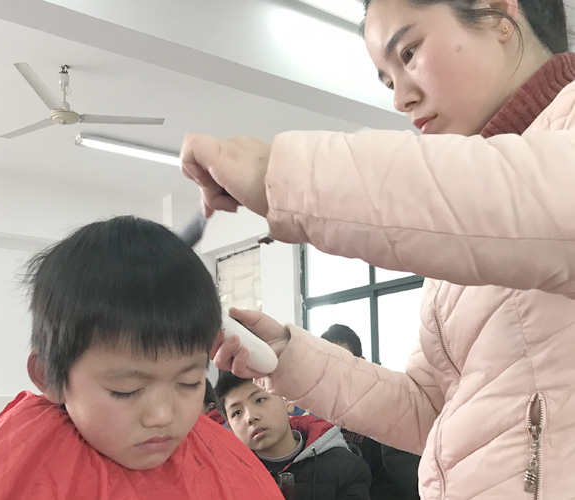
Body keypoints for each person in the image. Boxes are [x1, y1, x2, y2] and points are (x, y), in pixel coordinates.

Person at [180, 0, 575, 497]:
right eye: (388, 81)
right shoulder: (460, 251)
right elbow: (430, 410)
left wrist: (281, 176)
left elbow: (533, 199)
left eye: (408, 53)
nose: (401, 100)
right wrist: (287, 358)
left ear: (497, 10)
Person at [0, 217, 282, 500]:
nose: (164, 415)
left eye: (189, 382)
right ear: (49, 377)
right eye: (126, 389)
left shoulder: (224, 460)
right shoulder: (5, 473)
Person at [215, 371, 372, 500]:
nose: (250, 417)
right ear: (231, 429)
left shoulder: (346, 468)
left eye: (259, 400)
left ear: (287, 401)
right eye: (237, 412)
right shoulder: (226, 480)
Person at [322, 325, 420, 500]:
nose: (335, 374)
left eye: (342, 364)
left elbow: (401, 481)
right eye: (327, 366)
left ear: (361, 363)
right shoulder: (317, 414)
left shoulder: (389, 411)